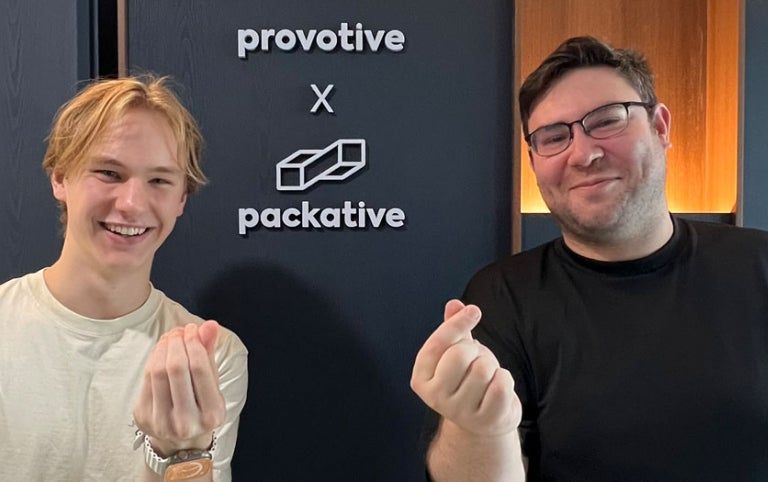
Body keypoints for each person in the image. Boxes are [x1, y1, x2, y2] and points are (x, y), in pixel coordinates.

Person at [411, 36, 768, 481]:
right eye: (554, 137)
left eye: (607, 121)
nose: (583, 153)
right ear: (534, 161)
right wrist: (479, 430)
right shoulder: (501, 298)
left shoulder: (759, 265)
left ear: (660, 127)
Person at [0, 76, 248, 481]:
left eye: (159, 181)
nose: (132, 204)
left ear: (181, 198)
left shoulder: (211, 355)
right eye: (109, 173)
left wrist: (180, 453)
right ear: (60, 178)